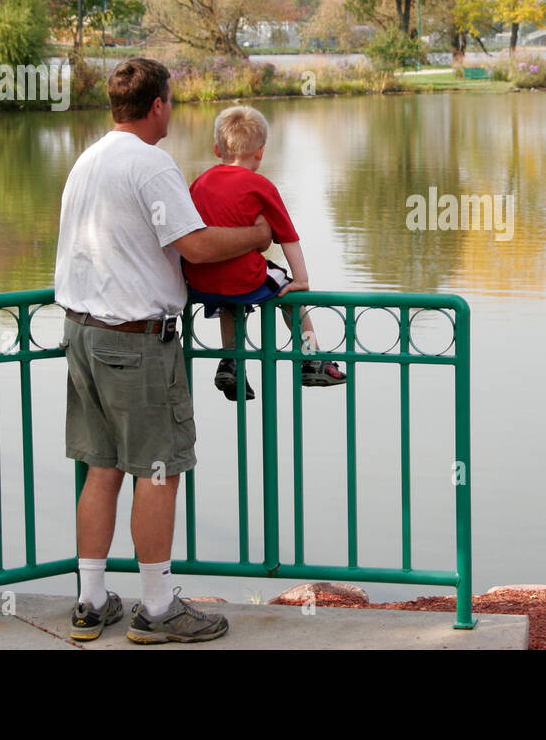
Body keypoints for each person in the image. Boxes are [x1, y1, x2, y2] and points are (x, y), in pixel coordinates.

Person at [55, 58, 272, 644]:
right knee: (158, 472)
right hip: (135, 342)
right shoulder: (150, 165)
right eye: (171, 101)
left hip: (80, 332)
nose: (173, 110)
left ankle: (91, 600)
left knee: (101, 468)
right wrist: (257, 236)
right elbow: (196, 246)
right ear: (157, 106)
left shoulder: (89, 158)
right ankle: (156, 608)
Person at [181, 105, 346, 402]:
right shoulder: (260, 186)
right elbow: (288, 238)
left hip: (200, 280)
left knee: (230, 302)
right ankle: (311, 358)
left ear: (216, 149)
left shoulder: (199, 182)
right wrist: (301, 280)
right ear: (260, 152)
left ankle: (230, 362)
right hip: (241, 278)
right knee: (287, 294)